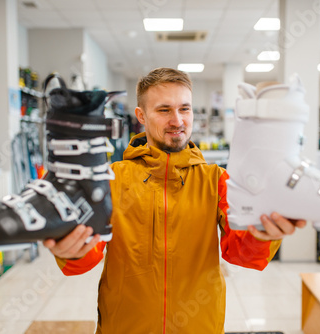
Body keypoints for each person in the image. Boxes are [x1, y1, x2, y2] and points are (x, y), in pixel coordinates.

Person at [43, 67, 306, 334]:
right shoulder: (111, 180)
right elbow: (84, 259)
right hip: (125, 326)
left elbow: (241, 254)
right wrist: (70, 250)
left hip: (198, 325)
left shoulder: (217, 180)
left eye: (185, 109)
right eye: (164, 110)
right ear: (141, 116)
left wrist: (264, 234)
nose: (177, 120)